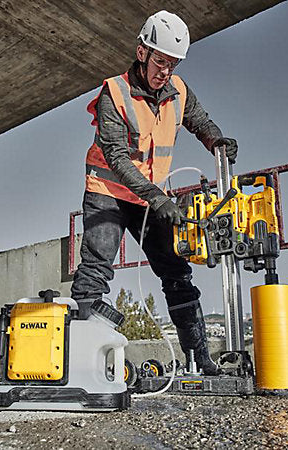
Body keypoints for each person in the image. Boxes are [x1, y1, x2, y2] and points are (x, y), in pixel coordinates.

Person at [71, 10, 238, 375]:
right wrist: (157, 197)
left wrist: (216, 140)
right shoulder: (114, 92)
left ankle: (198, 360)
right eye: (161, 61)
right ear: (142, 53)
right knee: (96, 268)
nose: (166, 71)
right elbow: (116, 156)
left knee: (176, 271)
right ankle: (84, 366)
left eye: (173, 64)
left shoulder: (178, 91)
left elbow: (200, 121)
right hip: (107, 191)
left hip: (149, 197)